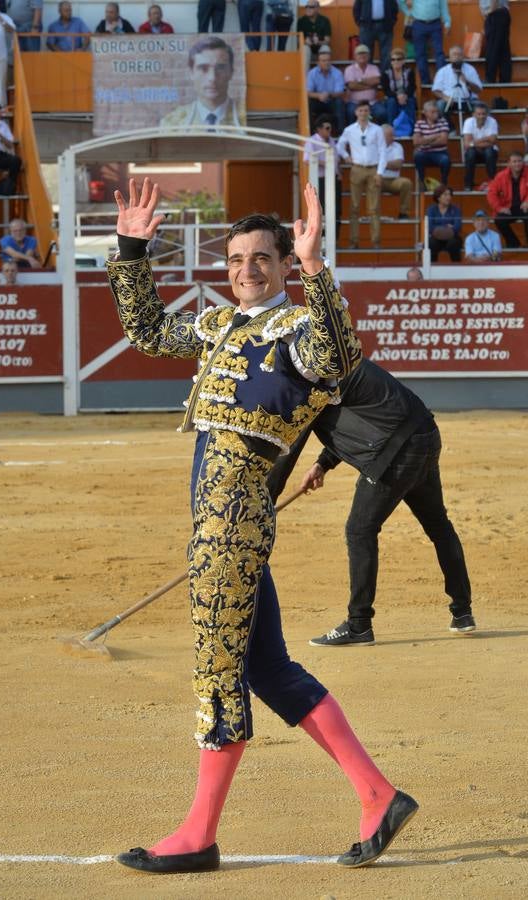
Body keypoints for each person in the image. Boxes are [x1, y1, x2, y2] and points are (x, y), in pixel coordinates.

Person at [108, 176, 418, 874]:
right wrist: (132, 250)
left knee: (220, 668)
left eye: (262, 259)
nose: (246, 270)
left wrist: (316, 269)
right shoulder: (221, 326)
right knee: (267, 668)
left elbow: (339, 356)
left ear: (282, 265)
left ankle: (197, 834)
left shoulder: (299, 334)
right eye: (236, 260)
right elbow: (150, 332)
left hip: (232, 520)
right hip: (224, 523)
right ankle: (377, 794)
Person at [265, 357, 474, 646]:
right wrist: (323, 464)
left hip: (395, 454)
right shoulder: (339, 363)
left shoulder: (312, 381)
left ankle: (359, 624)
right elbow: (370, 415)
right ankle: (463, 611)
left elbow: (289, 446)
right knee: (439, 525)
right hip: (424, 436)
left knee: (359, 530)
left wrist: (263, 503)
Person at [160, 37, 245, 130]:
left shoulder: (244, 116)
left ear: (231, 72)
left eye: (220, 68)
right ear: (191, 73)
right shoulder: (172, 123)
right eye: (203, 68)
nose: (212, 78)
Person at [337, 99, 386, 249]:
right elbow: (339, 145)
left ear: (369, 112)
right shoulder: (350, 129)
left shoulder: (377, 129)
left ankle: (376, 241)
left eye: (365, 110)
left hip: (373, 169)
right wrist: (346, 156)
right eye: (360, 110)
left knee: (374, 207)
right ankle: (354, 241)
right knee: (354, 207)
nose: (363, 113)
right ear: (356, 112)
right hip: (357, 168)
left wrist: (380, 172)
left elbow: (383, 150)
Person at [303, 114, 342, 236]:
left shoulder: (331, 141)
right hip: (320, 179)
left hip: (333, 178)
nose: (329, 131)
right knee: (321, 208)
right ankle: (322, 235)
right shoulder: (311, 141)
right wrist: (324, 163)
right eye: (327, 128)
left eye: (330, 128)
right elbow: (307, 159)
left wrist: (338, 172)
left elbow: (336, 159)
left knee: (335, 208)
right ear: (319, 129)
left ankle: (334, 236)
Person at [397, 0, 450, 86]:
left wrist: (447, 23)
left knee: (439, 53)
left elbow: (444, 8)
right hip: (418, 24)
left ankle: (441, 81)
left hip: (435, 24)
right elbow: (400, 1)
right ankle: (425, 82)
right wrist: (408, 12)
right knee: (420, 54)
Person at [432, 45, 482, 130]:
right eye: (454, 54)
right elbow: (435, 90)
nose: (457, 57)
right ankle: (451, 129)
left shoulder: (470, 69)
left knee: (482, 107)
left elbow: (478, 90)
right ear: (450, 57)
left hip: (468, 100)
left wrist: (467, 82)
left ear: (463, 56)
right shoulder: (443, 71)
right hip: (450, 101)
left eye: (459, 54)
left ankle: (476, 131)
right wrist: (445, 97)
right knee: (439, 105)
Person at [487, 151, 528, 249]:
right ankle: (514, 243)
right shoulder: (501, 176)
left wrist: (527, 201)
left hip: (524, 207)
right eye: (514, 161)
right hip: (508, 207)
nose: (517, 164)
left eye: (519, 161)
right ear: (508, 163)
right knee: (499, 220)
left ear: (523, 162)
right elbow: (491, 193)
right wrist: (499, 208)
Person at [306, 46, 345, 136]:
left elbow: (340, 92)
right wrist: (319, 96)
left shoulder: (337, 72)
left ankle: (341, 134)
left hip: (332, 100)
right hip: (317, 100)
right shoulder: (312, 73)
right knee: (308, 103)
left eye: (328, 60)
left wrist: (328, 94)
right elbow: (308, 92)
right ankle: (311, 134)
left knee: (339, 102)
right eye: (323, 61)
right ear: (318, 62)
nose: (326, 63)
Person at [343, 44, 386, 126]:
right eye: (360, 53)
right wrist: (370, 86)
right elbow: (352, 86)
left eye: (364, 53)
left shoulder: (374, 68)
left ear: (369, 56)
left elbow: (377, 80)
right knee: (350, 112)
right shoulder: (349, 69)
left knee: (382, 113)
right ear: (355, 56)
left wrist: (359, 81)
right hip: (354, 103)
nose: (362, 55)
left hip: (372, 102)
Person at [353, 0, 399, 73]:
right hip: (367, 26)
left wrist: (391, 22)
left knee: (386, 55)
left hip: (385, 25)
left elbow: (395, 7)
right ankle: (369, 77)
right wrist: (360, 23)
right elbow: (356, 8)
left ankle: (384, 80)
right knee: (366, 53)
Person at [413, 100, 450, 189]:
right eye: (432, 112)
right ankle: (422, 182)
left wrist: (425, 140)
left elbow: (443, 141)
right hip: (424, 153)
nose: (436, 114)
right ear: (425, 113)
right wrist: (436, 136)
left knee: (445, 160)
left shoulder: (443, 122)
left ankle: (444, 183)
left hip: (440, 153)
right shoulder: (419, 123)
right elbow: (416, 142)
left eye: (436, 111)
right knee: (418, 156)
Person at [462, 102, 498, 192]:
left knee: (489, 152)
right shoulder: (468, 122)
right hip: (474, 152)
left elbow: (492, 141)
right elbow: (466, 144)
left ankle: (492, 183)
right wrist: (485, 139)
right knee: (470, 153)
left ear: (487, 114)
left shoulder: (492, 121)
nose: (481, 116)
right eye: (479, 114)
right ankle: (468, 184)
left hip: (488, 151)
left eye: (484, 114)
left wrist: (474, 142)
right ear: (473, 114)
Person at [377, 124, 412, 219]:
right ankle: (374, 214)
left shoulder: (398, 146)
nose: (394, 137)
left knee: (406, 183)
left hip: (393, 180)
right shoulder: (373, 146)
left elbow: (398, 165)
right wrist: (388, 164)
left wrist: (381, 163)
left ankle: (403, 213)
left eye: (393, 135)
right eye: (391, 135)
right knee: (372, 183)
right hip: (378, 178)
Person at [381, 46, 416, 127]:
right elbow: (386, 90)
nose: (395, 61)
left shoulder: (409, 72)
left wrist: (405, 96)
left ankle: (411, 128)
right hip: (392, 97)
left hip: (407, 96)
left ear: (403, 61)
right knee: (391, 101)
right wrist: (397, 96)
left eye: (398, 59)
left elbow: (412, 87)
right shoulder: (386, 73)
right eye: (393, 59)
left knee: (410, 101)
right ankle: (391, 127)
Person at [427, 184, 462, 262]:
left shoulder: (456, 209)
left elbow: (457, 227)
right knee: (431, 243)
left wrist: (438, 227)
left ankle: (457, 269)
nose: (449, 197)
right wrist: (447, 227)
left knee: (454, 243)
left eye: (450, 194)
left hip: (452, 238)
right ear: (438, 197)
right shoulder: (431, 209)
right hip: (436, 238)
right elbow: (430, 227)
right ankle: (432, 269)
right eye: (445, 195)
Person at [480, 0, 511, 85]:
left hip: (495, 13)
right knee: (503, 49)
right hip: (500, 13)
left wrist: (489, 11)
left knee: (492, 49)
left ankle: (490, 78)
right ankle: (505, 78)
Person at [296, 1, 331, 69]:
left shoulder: (325, 20)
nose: (308, 9)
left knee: (326, 48)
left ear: (318, 9)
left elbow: (327, 40)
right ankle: (305, 78)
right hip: (308, 51)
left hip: (319, 50)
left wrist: (318, 42)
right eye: (307, 7)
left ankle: (325, 76)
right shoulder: (301, 20)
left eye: (311, 7)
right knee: (305, 48)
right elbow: (298, 40)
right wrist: (305, 42)